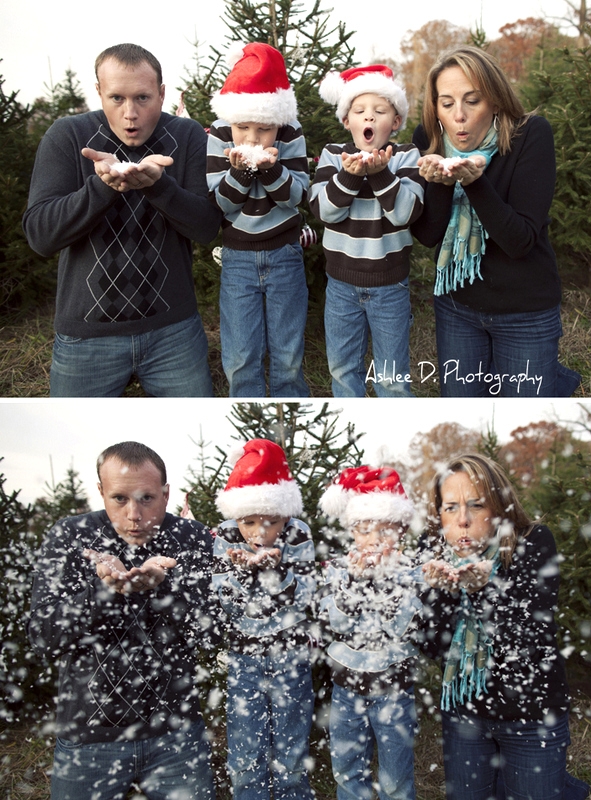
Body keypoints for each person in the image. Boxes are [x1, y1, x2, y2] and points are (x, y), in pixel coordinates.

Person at [23, 43, 222, 397]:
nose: (130, 113)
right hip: (86, 339)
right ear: (98, 91)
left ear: (162, 94)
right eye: (116, 98)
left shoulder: (188, 135)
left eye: (143, 98)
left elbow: (206, 228)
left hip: (173, 333)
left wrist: (160, 188)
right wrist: (100, 189)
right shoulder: (67, 136)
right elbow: (40, 234)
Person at [27, 441, 218, 800]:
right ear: (100, 491)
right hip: (89, 740)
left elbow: (211, 630)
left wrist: (163, 590)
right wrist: (103, 594)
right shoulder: (71, 536)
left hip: (176, 737)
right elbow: (43, 636)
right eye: (119, 499)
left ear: (166, 494)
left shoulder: (190, 537)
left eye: (147, 498)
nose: (134, 514)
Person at [411, 45, 581, 397]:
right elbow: (428, 235)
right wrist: (443, 182)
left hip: (525, 310)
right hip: (457, 306)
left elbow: (519, 241)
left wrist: (474, 182)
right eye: (447, 103)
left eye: (472, 101)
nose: (458, 115)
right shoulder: (429, 139)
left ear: (495, 100)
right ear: (435, 107)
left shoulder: (530, 136)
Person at [420, 453, 590, 800]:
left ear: (499, 506)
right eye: (451, 507)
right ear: (438, 514)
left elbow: (528, 637)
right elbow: (432, 645)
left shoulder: (533, 542)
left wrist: (484, 590)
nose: (463, 520)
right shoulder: (432, 552)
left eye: (476, 505)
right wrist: (442, 594)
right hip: (465, 714)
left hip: (531, 716)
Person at [309, 65, 425, 397]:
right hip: (342, 286)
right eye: (360, 111)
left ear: (396, 121)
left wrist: (379, 174)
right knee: (344, 370)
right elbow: (323, 211)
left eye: (380, 111)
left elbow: (406, 214)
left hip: (390, 286)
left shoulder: (406, 157)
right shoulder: (334, 155)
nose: (369, 118)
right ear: (348, 121)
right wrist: (348, 176)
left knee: (391, 378)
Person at [212, 439, 316, 799]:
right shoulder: (226, 536)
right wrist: (242, 575)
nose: (259, 533)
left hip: (291, 655)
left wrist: (277, 574)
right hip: (245, 657)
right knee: (245, 752)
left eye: (271, 522)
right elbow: (224, 602)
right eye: (249, 522)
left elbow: (306, 595)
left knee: (290, 751)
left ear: (285, 515)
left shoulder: (299, 533)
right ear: (236, 517)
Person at [206, 43, 310, 397]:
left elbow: (297, 196)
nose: (252, 138)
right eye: (243, 128)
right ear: (230, 122)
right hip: (237, 259)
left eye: (263, 130)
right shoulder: (219, 134)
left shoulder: (291, 131)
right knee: (240, 355)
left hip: (284, 253)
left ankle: (290, 401)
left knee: (288, 354)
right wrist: (241, 172)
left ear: (277, 124)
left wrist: (270, 170)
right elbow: (220, 204)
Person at [318, 466, 424, 800]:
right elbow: (335, 623)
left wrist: (387, 581)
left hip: (393, 686)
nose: (374, 540)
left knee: (395, 773)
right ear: (352, 531)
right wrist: (357, 582)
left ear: (402, 531)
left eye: (384, 530)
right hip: (346, 686)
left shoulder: (411, 571)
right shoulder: (339, 569)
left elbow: (405, 628)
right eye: (364, 530)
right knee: (348, 767)